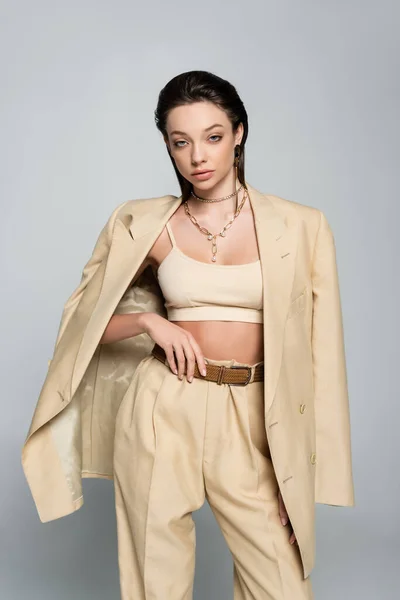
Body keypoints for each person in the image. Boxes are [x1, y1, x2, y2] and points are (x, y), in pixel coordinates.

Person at [21, 70, 355, 600]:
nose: (198, 155)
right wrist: (149, 322)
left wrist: (319, 473)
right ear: (168, 147)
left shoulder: (301, 226)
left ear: (239, 133)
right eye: (181, 142)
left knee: (282, 583)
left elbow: (322, 355)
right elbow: (80, 327)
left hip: (253, 413)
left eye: (213, 136)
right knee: (157, 579)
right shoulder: (141, 223)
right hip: (163, 406)